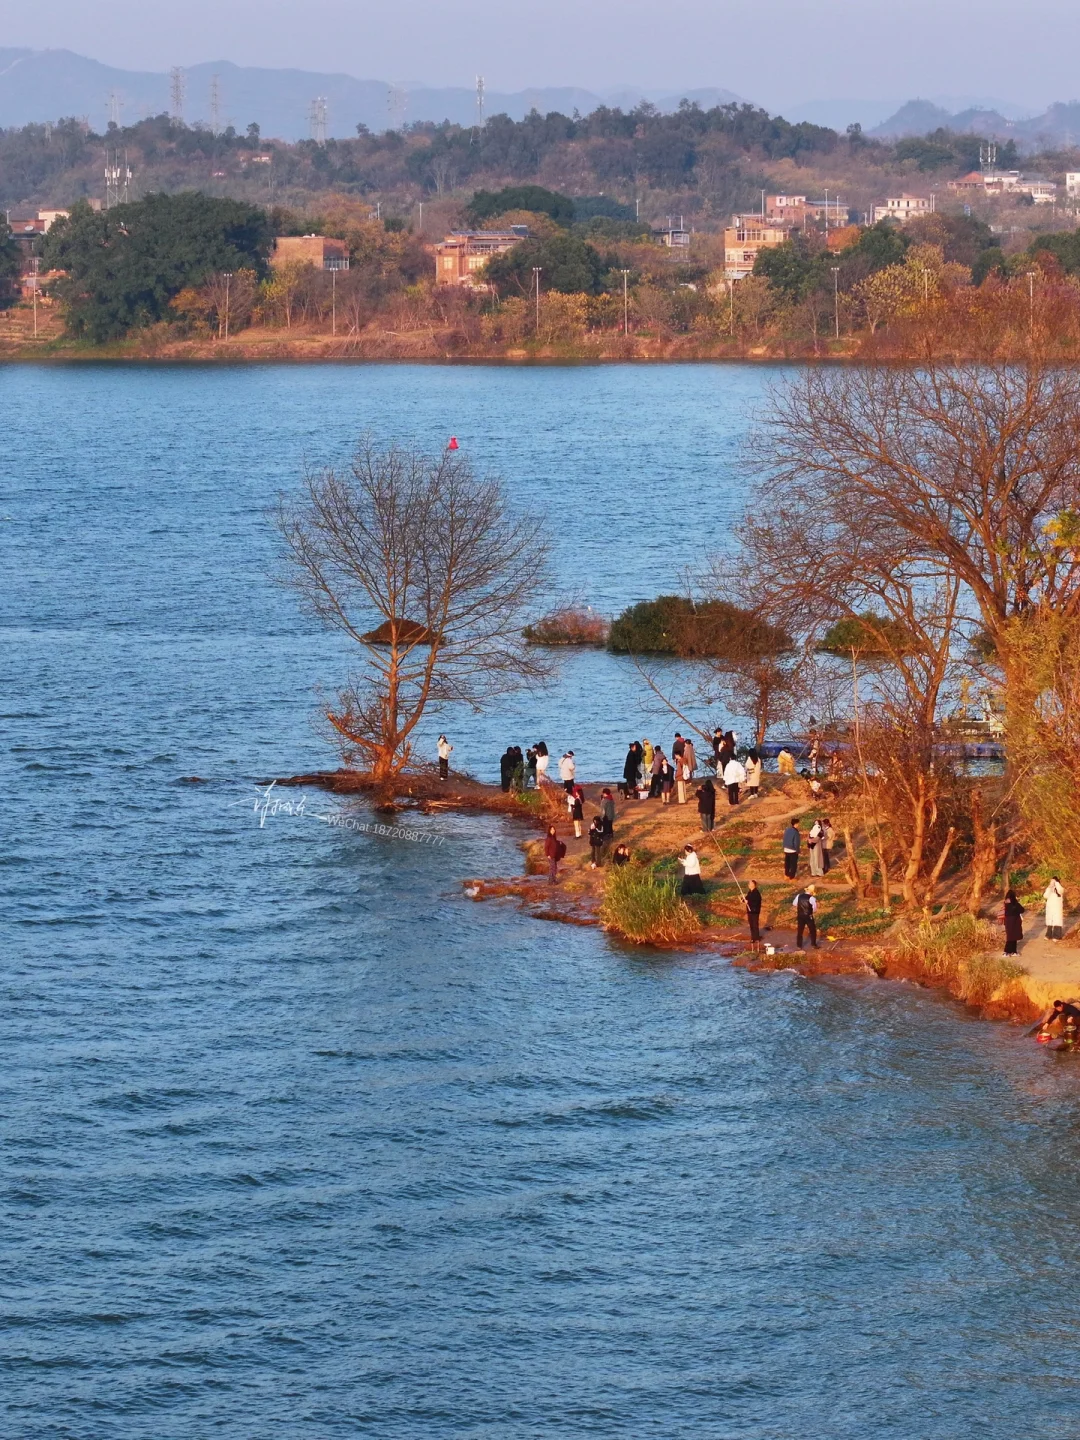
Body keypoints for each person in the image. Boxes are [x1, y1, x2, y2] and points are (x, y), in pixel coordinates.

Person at [793, 883, 818, 949]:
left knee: (800, 931)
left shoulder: (799, 896)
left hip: (800, 916)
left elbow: (794, 904)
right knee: (812, 930)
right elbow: (815, 909)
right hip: (808, 916)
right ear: (812, 892)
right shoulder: (812, 898)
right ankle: (813, 944)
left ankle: (799, 946)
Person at [1003, 888, 1025, 956]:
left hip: (1008, 921)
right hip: (1015, 921)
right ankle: (1007, 952)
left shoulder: (1006, 903)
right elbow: (1022, 910)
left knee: (1011, 936)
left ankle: (1012, 952)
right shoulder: (1015, 904)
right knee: (1013, 937)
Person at [745, 879, 762, 946]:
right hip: (749, 911)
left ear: (754, 885)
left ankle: (757, 938)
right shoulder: (750, 892)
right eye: (749, 884)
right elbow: (747, 898)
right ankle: (753, 938)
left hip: (755, 911)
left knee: (755, 924)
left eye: (751, 884)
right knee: (751, 924)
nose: (749, 885)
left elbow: (756, 902)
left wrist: (748, 902)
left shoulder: (756, 893)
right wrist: (743, 900)